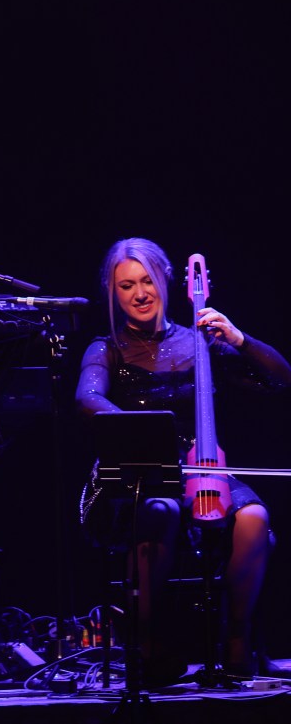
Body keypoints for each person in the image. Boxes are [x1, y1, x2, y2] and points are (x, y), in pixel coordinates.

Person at [75, 237, 291, 685]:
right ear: (112, 292)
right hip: (140, 472)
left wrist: (239, 340)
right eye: (126, 285)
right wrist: (141, 433)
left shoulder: (200, 342)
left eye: (147, 281)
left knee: (254, 517)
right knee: (161, 511)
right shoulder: (106, 348)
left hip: (201, 467)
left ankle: (237, 639)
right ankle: (147, 644)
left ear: (166, 281)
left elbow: (279, 380)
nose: (139, 293)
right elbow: (87, 398)